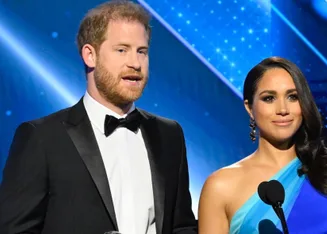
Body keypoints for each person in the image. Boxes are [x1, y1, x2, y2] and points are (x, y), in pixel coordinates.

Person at [0, 1, 197, 233]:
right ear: (90, 55)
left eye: (141, 51)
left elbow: (182, 226)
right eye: (122, 50)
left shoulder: (169, 134)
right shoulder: (42, 137)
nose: (135, 63)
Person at [198, 56, 327, 233]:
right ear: (250, 108)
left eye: (293, 97)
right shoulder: (220, 186)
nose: (282, 109)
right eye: (269, 98)